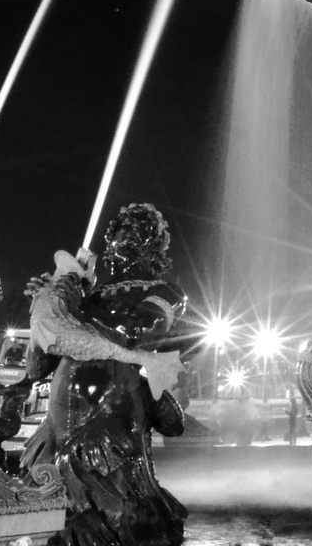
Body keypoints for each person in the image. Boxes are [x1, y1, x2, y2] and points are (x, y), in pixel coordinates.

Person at [22, 203, 188, 546]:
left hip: (113, 408)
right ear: (108, 240)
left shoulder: (163, 291)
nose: (127, 234)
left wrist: (72, 308)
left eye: (140, 228)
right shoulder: (85, 294)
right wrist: (44, 309)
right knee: (63, 509)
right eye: (120, 228)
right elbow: (38, 368)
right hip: (60, 414)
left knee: (119, 502)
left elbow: (135, 333)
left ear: (157, 244)